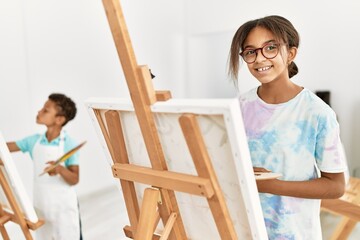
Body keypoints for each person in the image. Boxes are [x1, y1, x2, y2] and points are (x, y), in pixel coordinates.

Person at [228, 15, 347, 239]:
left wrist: (273, 186)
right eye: (250, 51)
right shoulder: (237, 107)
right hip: (242, 228)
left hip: (293, 233)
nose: (259, 58)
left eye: (270, 48)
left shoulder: (317, 113)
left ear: (291, 53)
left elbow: (336, 186)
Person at [7, 93, 81, 240]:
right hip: (41, 206)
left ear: (59, 119)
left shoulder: (69, 144)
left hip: (64, 209)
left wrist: (60, 169)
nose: (39, 111)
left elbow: (74, 179)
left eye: (45, 110)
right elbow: (4, 148)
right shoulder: (33, 141)